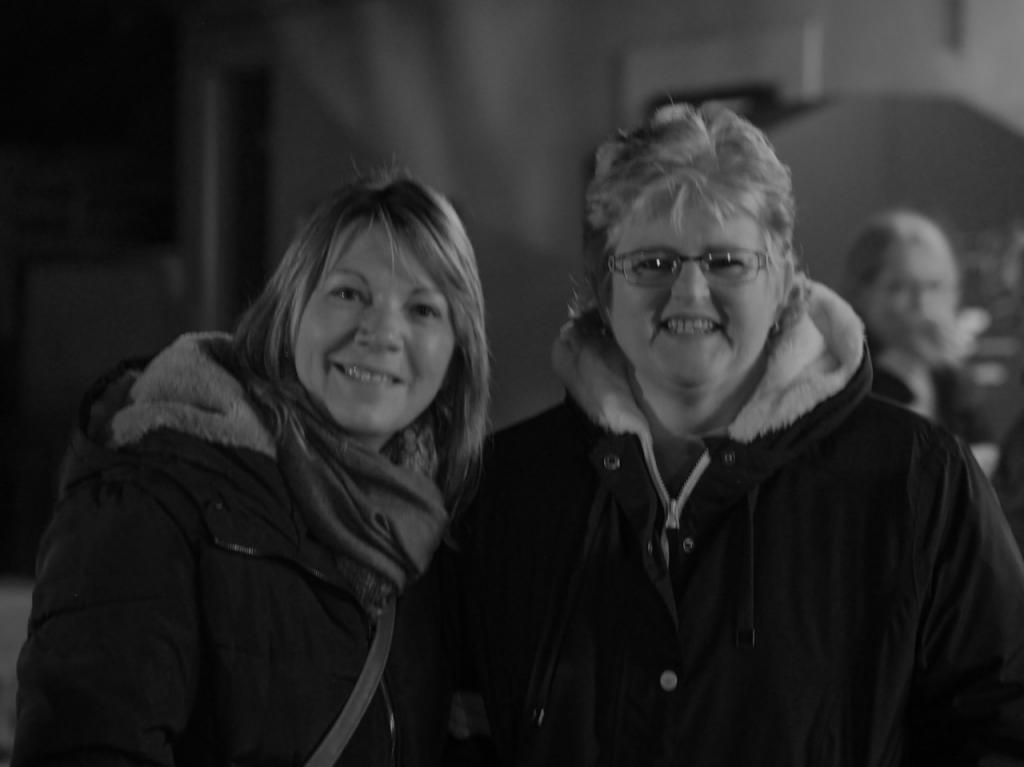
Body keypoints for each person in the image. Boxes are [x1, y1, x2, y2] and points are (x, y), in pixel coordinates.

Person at [450, 103, 1024, 766]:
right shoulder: (508, 488)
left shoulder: (918, 481)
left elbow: (1003, 727)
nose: (690, 293)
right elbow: (462, 730)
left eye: (726, 261)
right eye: (652, 262)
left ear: (783, 279)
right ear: (605, 287)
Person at [13, 169, 489, 766]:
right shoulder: (158, 491)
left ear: (457, 353)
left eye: (422, 309)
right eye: (348, 293)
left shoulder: (428, 541)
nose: (382, 333)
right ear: (291, 309)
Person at [842, 208, 999, 475]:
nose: (923, 304)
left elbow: (987, 451)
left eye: (935, 286)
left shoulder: (948, 374)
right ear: (861, 293)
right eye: (900, 287)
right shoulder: (845, 377)